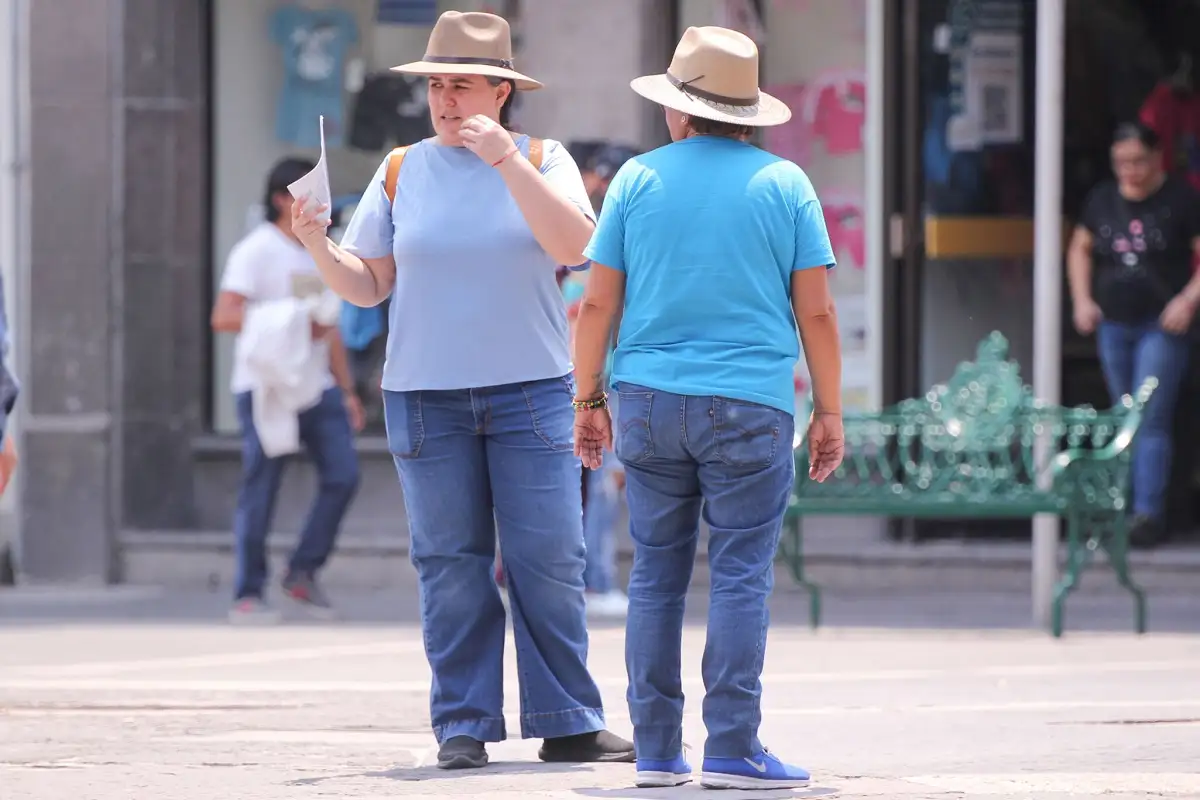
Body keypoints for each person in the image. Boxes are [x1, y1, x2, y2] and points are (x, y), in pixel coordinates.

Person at [288, 10, 634, 771]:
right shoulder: (400, 169)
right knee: (449, 563)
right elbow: (369, 285)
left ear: (501, 93)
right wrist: (316, 241)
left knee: (550, 558)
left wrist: (505, 160)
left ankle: (567, 719)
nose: (445, 101)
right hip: (425, 396)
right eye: (437, 86)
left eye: (463, 86)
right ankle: (464, 723)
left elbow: (578, 247)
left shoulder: (543, 158)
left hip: (532, 392)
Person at [571, 26, 844, 790]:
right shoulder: (786, 184)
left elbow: (597, 302)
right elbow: (817, 313)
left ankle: (657, 753)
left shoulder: (635, 180)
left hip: (649, 402)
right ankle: (732, 748)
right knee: (739, 576)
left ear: (679, 110)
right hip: (752, 405)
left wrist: (587, 397)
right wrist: (829, 410)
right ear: (746, 114)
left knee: (655, 575)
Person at [211, 157, 365, 624]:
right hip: (267, 386)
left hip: (316, 385)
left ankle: (302, 570)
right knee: (262, 484)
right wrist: (291, 322)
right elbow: (224, 316)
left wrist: (347, 390)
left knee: (343, 475)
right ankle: (248, 592)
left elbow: (330, 327)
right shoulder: (256, 250)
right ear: (282, 200)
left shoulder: (324, 250)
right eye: (308, 194)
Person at [1068, 122, 1200, 548]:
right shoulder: (1102, 200)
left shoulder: (1180, 199)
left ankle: (1148, 514)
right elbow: (1080, 248)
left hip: (1161, 325)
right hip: (1113, 324)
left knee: (1150, 415)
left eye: (1138, 161)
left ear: (1158, 158)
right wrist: (1082, 300)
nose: (1130, 171)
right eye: (1121, 162)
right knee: (1122, 415)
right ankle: (1119, 507)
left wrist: (1187, 300)